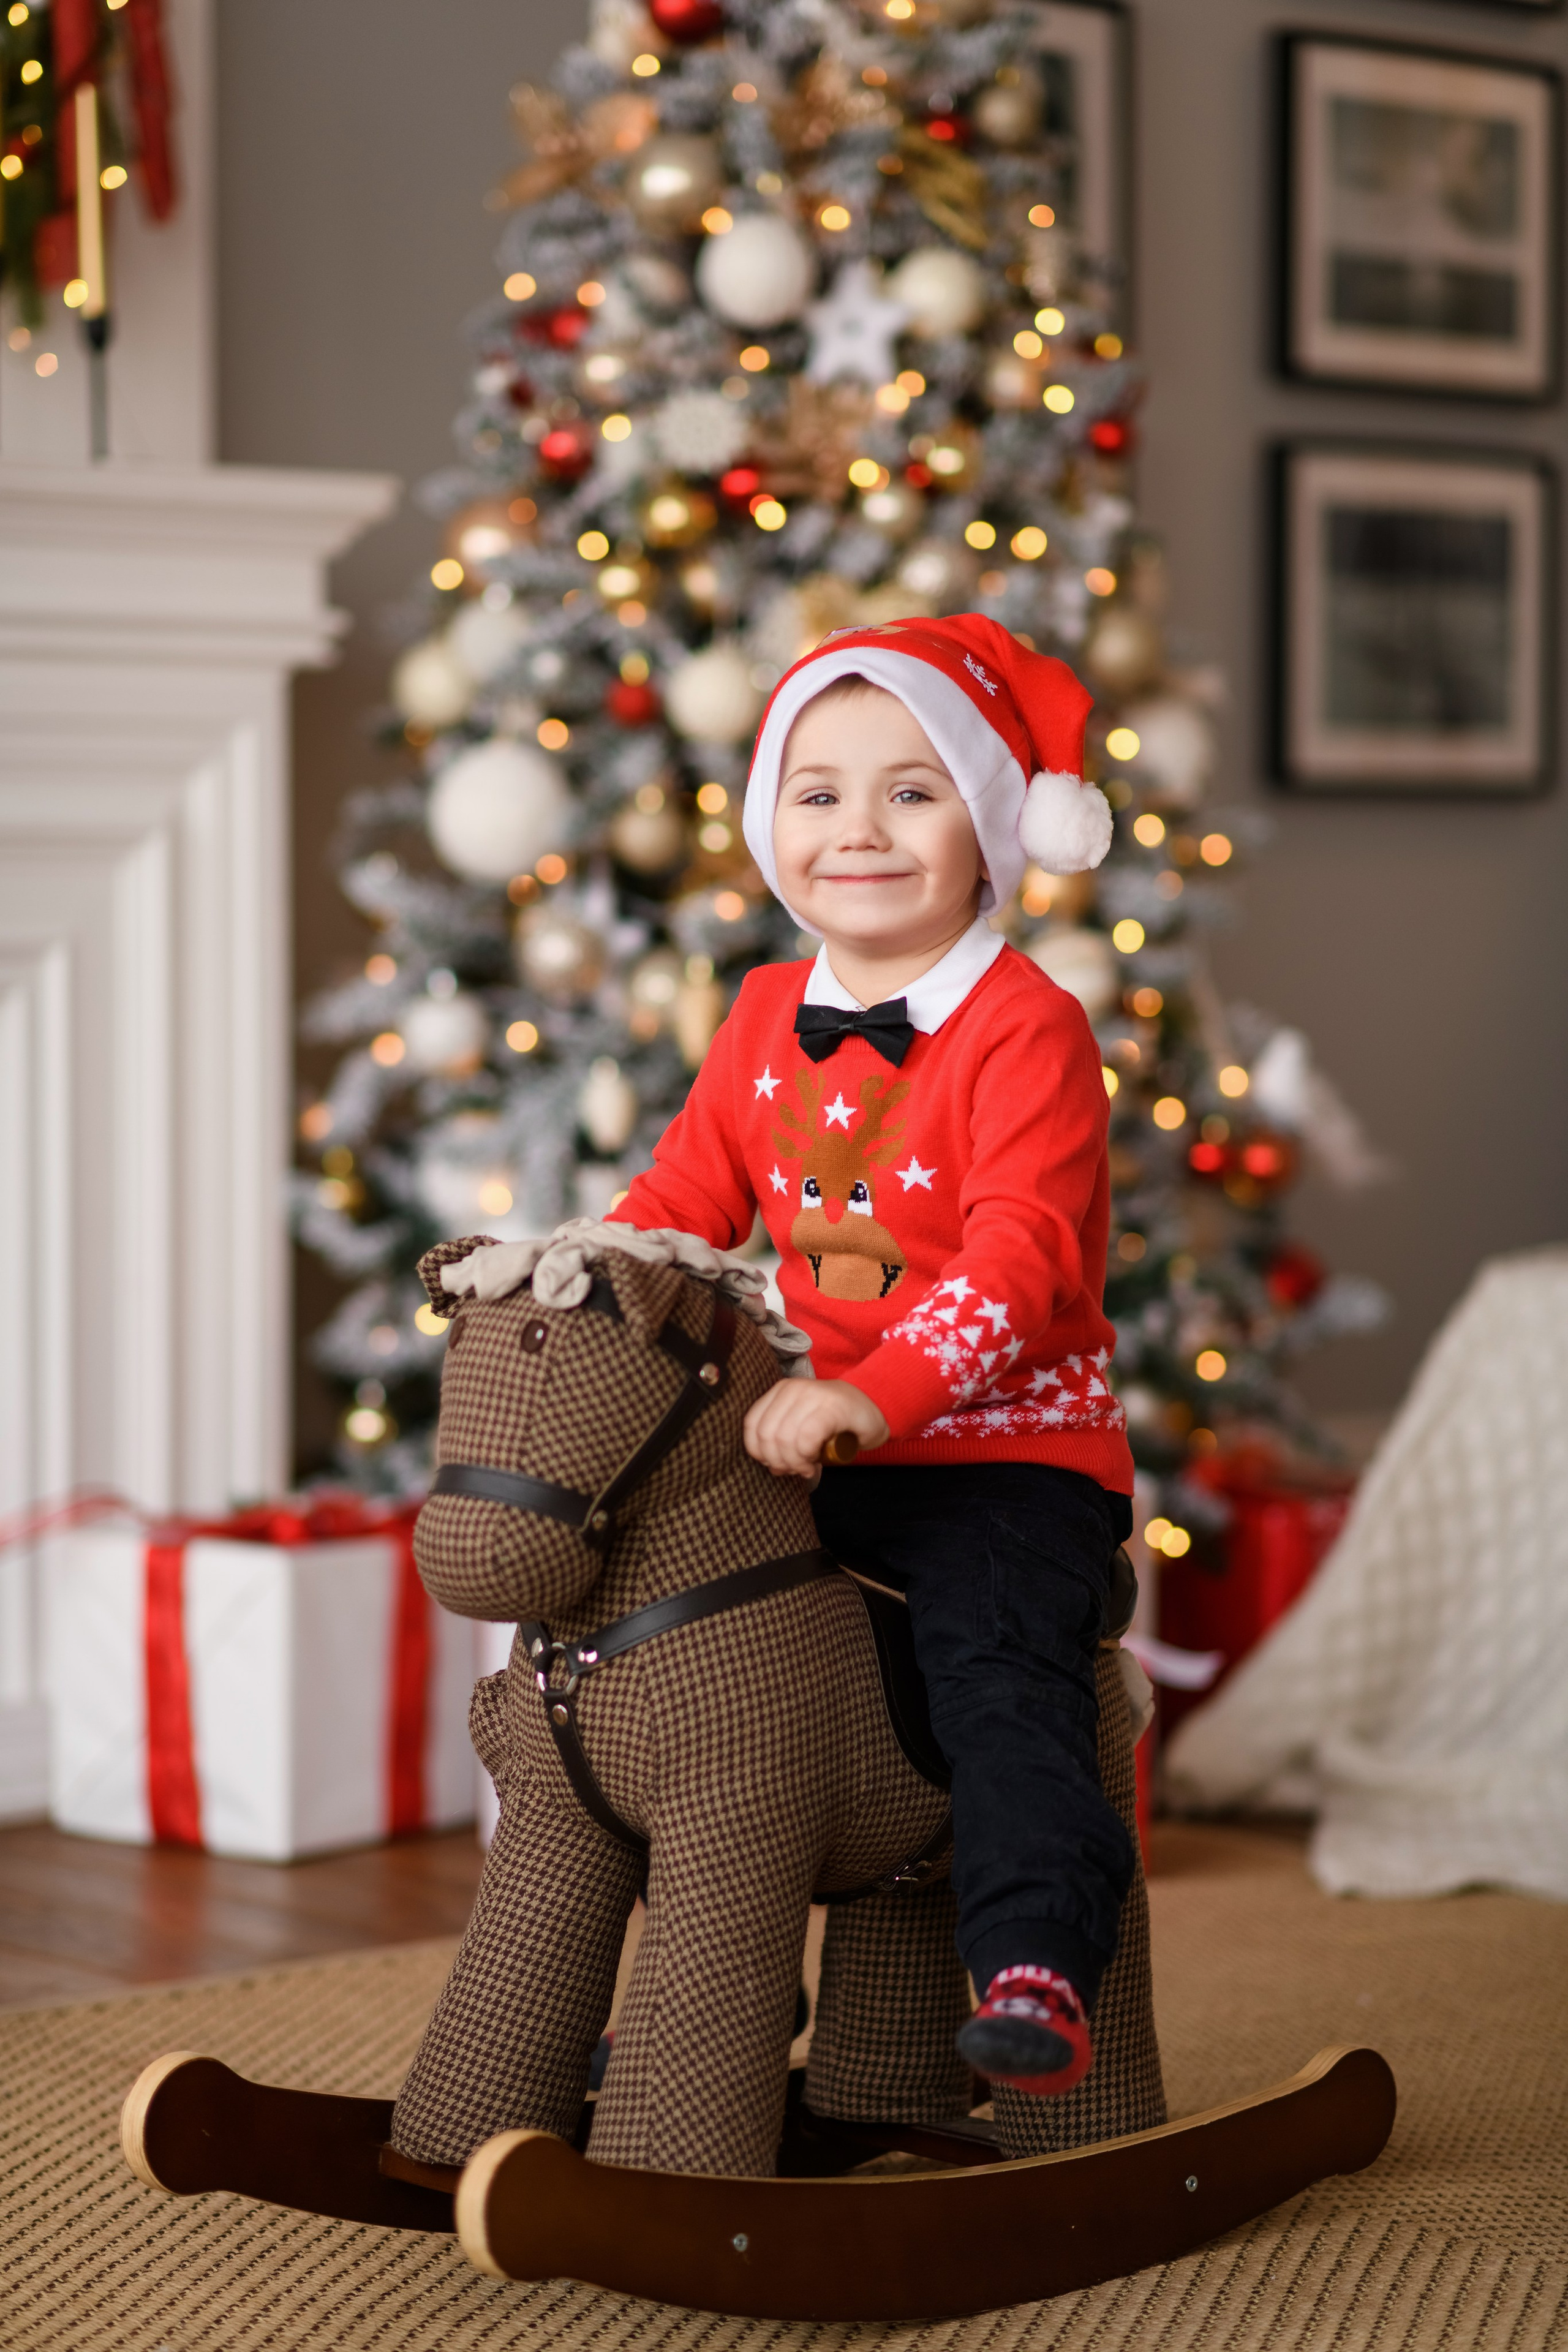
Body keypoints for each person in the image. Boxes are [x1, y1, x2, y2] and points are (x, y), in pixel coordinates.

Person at [608, 612, 1135, 2098]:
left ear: (987, 826)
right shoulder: (764, 1012)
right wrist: (576, 1283)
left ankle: (1034, 1956)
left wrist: (869, 1389)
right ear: (773, 827)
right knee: (692, 1662)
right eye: (819, 791)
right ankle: (709, 1985)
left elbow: (1020, 1265)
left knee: (991, 1672)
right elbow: (678, 1205)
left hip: (997, 1459)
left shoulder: (1024, 1028)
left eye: (912, 792)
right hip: (806, 1443)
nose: (860, 829)